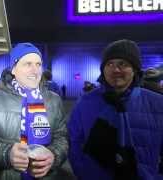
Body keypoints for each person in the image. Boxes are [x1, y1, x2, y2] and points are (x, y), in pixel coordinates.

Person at [0, 43, 68, 180]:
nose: (35, 70)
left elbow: (62, 137)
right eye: (28, 64)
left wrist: (54, 155)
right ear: (13, 69)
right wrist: (6, 155)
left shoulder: (54, 100)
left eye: (38, 64)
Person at [68, 39, 163, 180]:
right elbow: (74, 142)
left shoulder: (157, 103)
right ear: (103, 69)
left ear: (135, 69)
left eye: (123, 64)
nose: (115, 70)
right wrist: (83, 172)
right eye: (110, 64)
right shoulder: (85, 102)